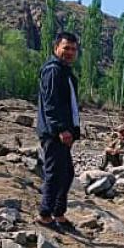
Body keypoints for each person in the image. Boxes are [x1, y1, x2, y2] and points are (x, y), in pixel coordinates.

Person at [36, 31, 81, 229]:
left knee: (67, 173)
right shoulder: (53, 70)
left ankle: (58, 212)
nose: (70, 52)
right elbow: (51, 104)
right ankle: (45, 215)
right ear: (56, 49)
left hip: (63, 133)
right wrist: (62, 129)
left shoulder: (65, 72)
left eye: (73, 49)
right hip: (54, 133)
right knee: (54, 173)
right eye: (66, 48)